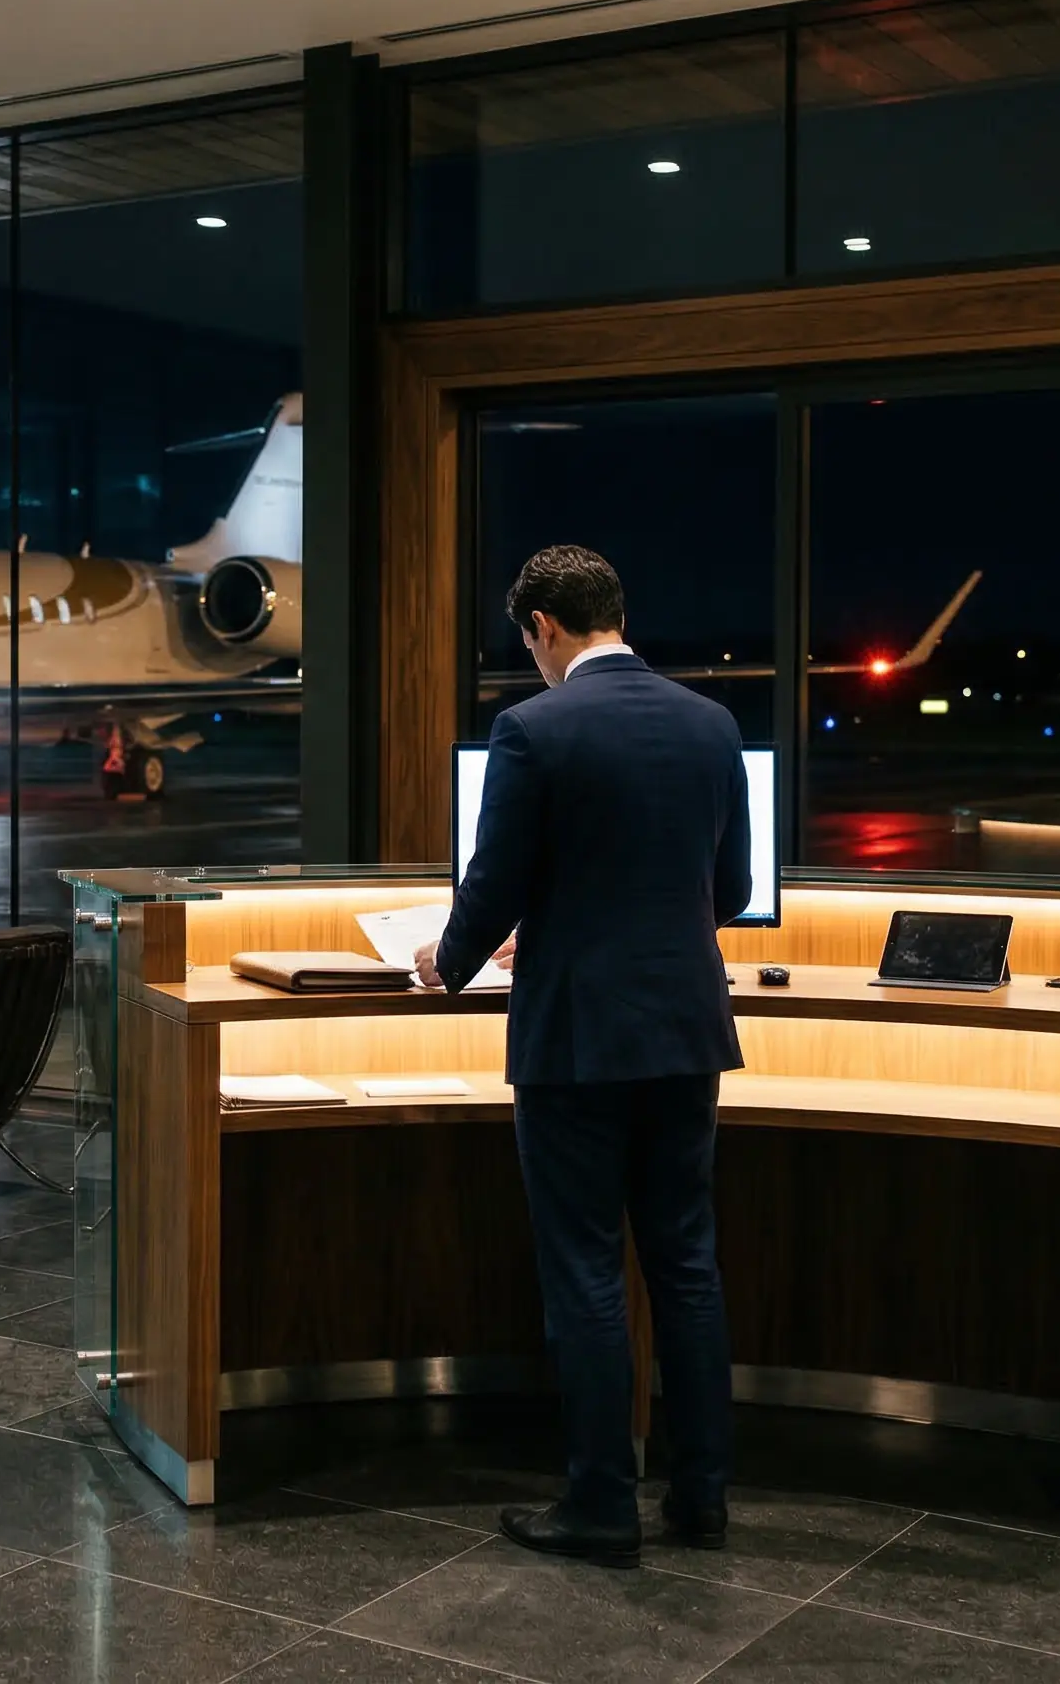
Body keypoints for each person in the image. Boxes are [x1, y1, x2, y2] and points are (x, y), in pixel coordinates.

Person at [415, 543, 752, 1569]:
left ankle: (601, 1503)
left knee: (585, 1273)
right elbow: (728, 892)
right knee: (685, 1265)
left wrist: (447, 958)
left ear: (542, 629)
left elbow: (497, 880)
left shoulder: (531, 729)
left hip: (575, 1040)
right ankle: (700, 1498)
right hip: (685, 1031)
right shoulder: (712, 723)